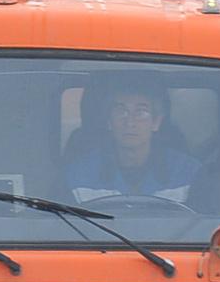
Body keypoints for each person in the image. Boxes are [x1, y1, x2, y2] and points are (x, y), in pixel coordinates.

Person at [63, 77, 200, 204]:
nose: (130, 122)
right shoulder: (77, 175)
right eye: (121, 111)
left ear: (156, 122)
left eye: (141, 112)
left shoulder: (188, 173)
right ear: (109, 122)